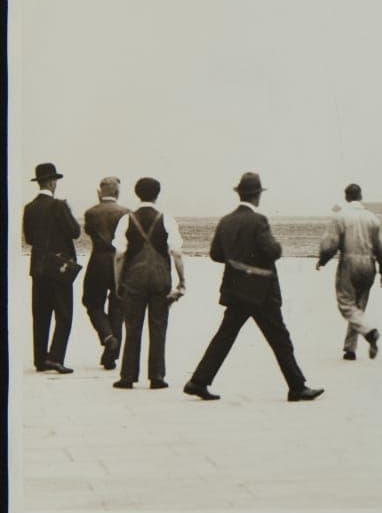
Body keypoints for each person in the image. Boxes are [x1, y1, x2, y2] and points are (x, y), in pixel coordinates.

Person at [184, 172, 323, 402]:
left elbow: (216, 254)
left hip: (235, 289)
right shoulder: (259, 221)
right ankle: (297, 387)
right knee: (280, 338)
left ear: (239, 194)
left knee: (224, 337)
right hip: (261, 293)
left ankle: (198, 381)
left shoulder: (226, 221)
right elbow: (272, 252)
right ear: (258, 195)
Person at [111, 177, 186, 390]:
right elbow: (176, 252)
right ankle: (157, 376)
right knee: (158, 327)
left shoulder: (127, 220)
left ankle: (128, 376)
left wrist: (118, 282)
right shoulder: (167, 219)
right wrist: (182, 280)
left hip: (133, 280)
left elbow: (119, 255)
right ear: (157, 193)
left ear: (137, 194)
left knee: (132, 327)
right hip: (160, 279)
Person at [316, 183, 382, 360]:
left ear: (346, 197)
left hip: (349, 262)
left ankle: (369, 332)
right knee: (359, 307)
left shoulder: (340, 217)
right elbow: (381, 249)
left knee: (346, 304)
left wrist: (323, 260)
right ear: (360, 196)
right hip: (369, 264)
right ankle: (350, 348)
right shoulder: (372, 218)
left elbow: (330, 244)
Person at [22, 163, 82, 374]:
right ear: (52, 182)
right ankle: (55, 358)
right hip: (59, 267)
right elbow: (75, 232)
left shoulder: (29, 207)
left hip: (38, 266)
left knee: (40, 313)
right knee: (64, 313)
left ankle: (40, 359)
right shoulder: (59, 206)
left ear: (39, 182)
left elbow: (29, 238)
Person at [82, 176, 131, 370]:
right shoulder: (126, 212)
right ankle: (111, 354)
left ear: (100, 192)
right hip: (119, 262)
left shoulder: (91, 213)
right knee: (117, 306)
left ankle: (107, 335)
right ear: (117, 193)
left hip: (98, 261)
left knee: (92, 302)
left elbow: (89, 231)